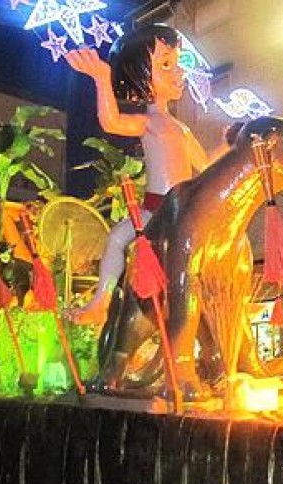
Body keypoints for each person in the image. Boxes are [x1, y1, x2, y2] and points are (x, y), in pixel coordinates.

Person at [64, 25, 211, 326]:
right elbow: (111, 121)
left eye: (177, 62)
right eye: (165, 64)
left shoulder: (181, 129)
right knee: (117, 238)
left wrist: (234, 145)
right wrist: (101, 79)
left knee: (117, 238)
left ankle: (103, 302)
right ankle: (101, 301)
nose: (178, 71)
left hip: (179, 208)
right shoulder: (148, 122)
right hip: (157, 209)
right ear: (139, 76)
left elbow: (206, 165)